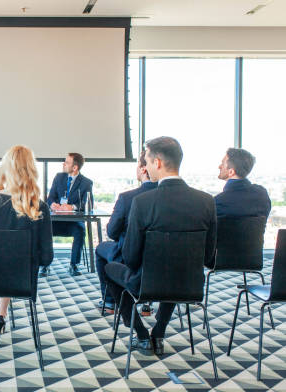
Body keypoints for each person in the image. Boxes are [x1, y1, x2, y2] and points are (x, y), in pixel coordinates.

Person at [104, 136, 216, 356]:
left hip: (146, 285)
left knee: (110, 269)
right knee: (174, 273)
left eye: (146, 160)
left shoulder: (143, 202)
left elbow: (132, 258)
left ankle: (141, 334)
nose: (144, 166)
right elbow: (208, 256)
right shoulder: (206, 201)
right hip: (190, 286)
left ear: (157, 163)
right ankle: (159, 331)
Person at [0, 145, 54, 348]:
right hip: (22, 280)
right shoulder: (38, 206)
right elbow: (47, 258)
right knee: (9, 264)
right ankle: (1, 314)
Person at [95, 150, 157, 313]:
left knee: (101, 249)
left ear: (144, 169)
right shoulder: (169, 198)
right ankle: (147, 303)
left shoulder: (127, 198)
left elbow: (112, 232)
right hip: (161, 262)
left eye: (137, 165)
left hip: (128, 257)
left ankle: (109, 301)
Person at [46, 153, 93, 277]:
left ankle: (74, 265)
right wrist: (52, 204)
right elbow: (50, 197)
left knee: (80, 231)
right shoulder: (58, 177)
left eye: (66, 162)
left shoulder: (86, 183)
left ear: (75, 167)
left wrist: (72, 207)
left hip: (73, 222)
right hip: (56, 221)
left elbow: (88, 203)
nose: (63, 164)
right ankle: (45, 264)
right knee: (44, 229)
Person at [215, 148, 271, 218]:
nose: (219, 166)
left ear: (231, 172)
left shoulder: (219, 202)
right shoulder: (262, 194)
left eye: (222, 164)